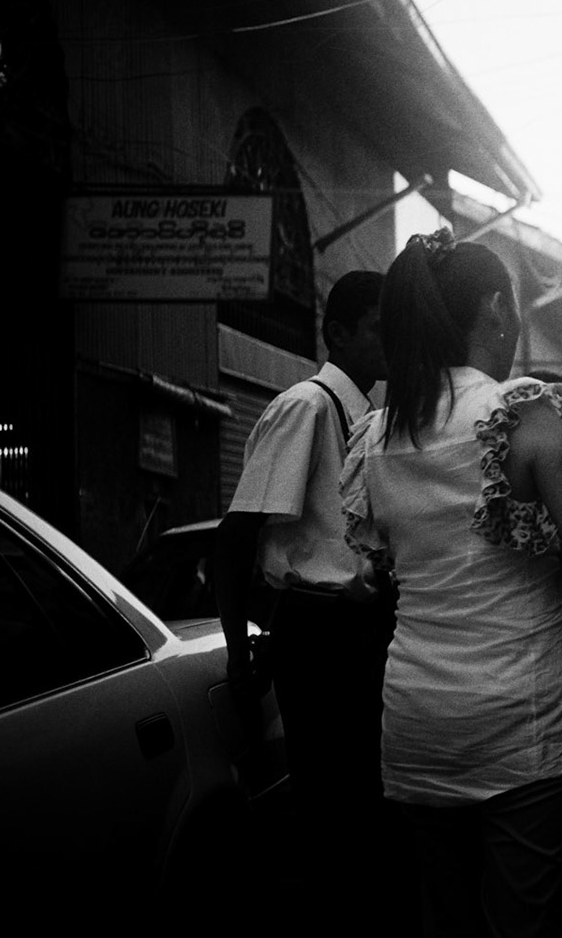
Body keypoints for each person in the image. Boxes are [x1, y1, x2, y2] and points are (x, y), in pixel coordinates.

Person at [342, 231, 562, 937]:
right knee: (529, 927)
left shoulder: (378, 432)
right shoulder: (519, 412)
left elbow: (384, 564)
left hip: (415, 713)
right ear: (496, 307)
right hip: (518, 715)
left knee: (447, 922)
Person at [214, 269, 396, 923]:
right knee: (330, 799)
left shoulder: (367, 417)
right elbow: (237, 535)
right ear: (338, 333)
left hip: (361, 629)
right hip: (320, 632)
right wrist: (239, 652)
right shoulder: (307, 407)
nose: (390, 342)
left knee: (365, 796)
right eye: (378, 328)